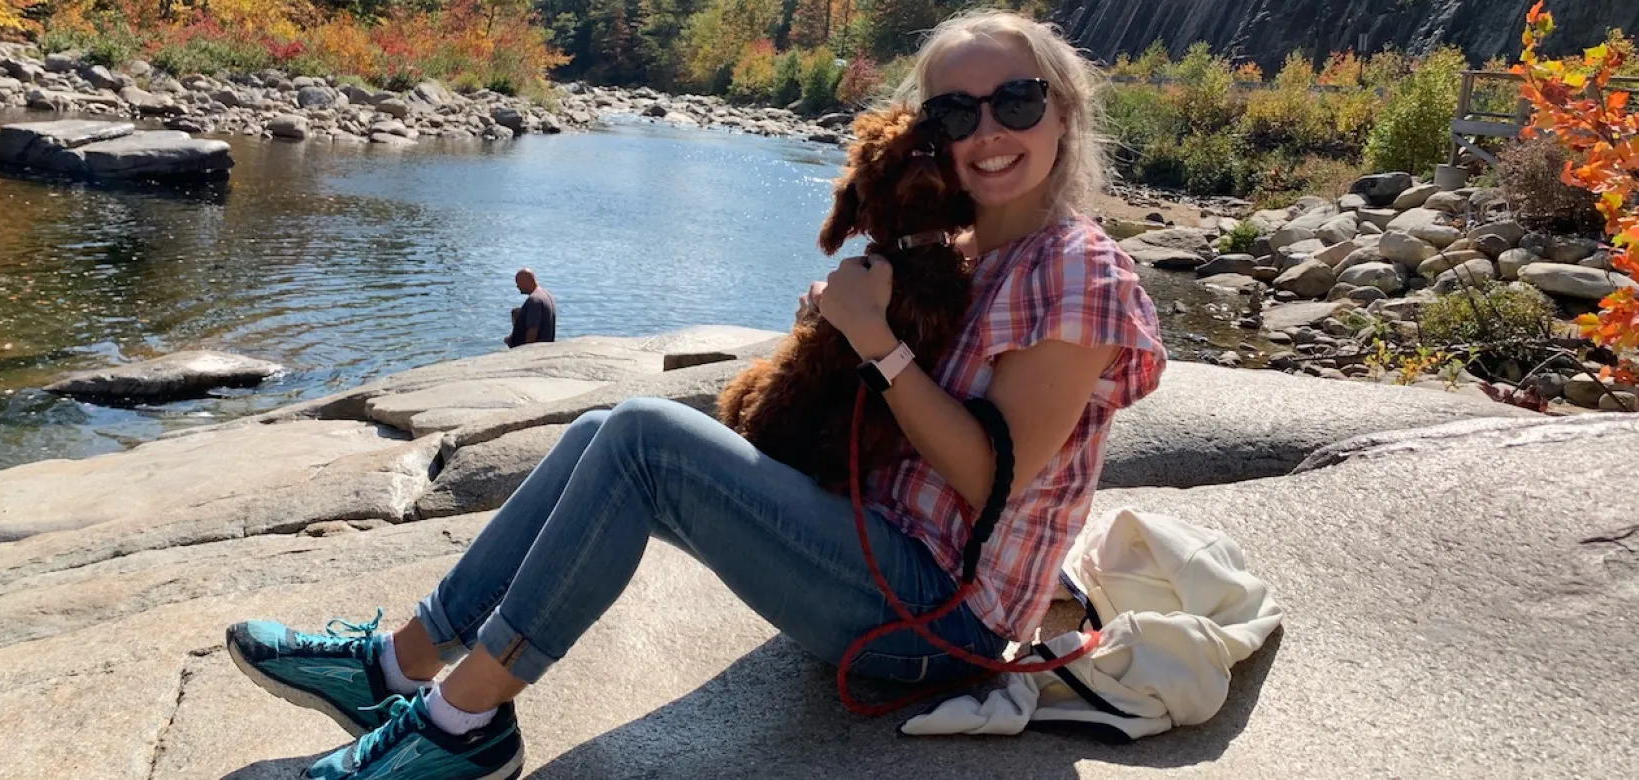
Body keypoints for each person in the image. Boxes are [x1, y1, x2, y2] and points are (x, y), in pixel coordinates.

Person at [223, 10, 1166, 779]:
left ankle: (462, 724)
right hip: (871, 552)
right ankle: (400, 664)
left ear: (1063, 112)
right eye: (953, 115)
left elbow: (991, 478)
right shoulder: (960, 253)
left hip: (939, 618)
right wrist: (842, 328)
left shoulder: (1076, 267)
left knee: (644, 436)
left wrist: (876, 341)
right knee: (601, 428)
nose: (987, 133)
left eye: (1016, 101)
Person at [504, 268, 556, 348]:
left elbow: (532, 330)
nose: (517, 286)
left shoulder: (534, 300)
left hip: (536, 349)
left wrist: (526, 350)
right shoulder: (546, 294)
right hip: (545, 346)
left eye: (518, 283)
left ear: (527, 281)